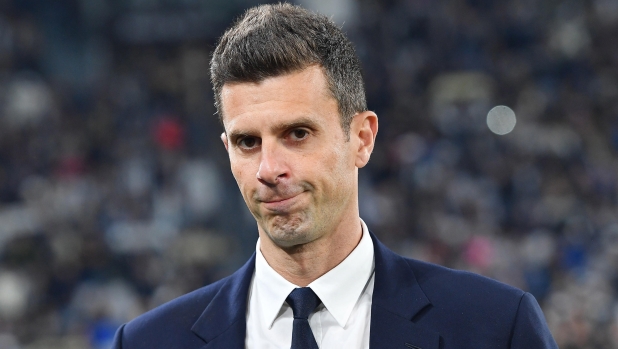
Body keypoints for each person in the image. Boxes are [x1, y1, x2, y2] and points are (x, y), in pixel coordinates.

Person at [112, 3, 558, 349]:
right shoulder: (149, 342)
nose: (269, 169)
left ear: (361, 138)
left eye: (298, 133)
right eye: (249, 142)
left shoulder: (495, 327)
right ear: (228, 151)